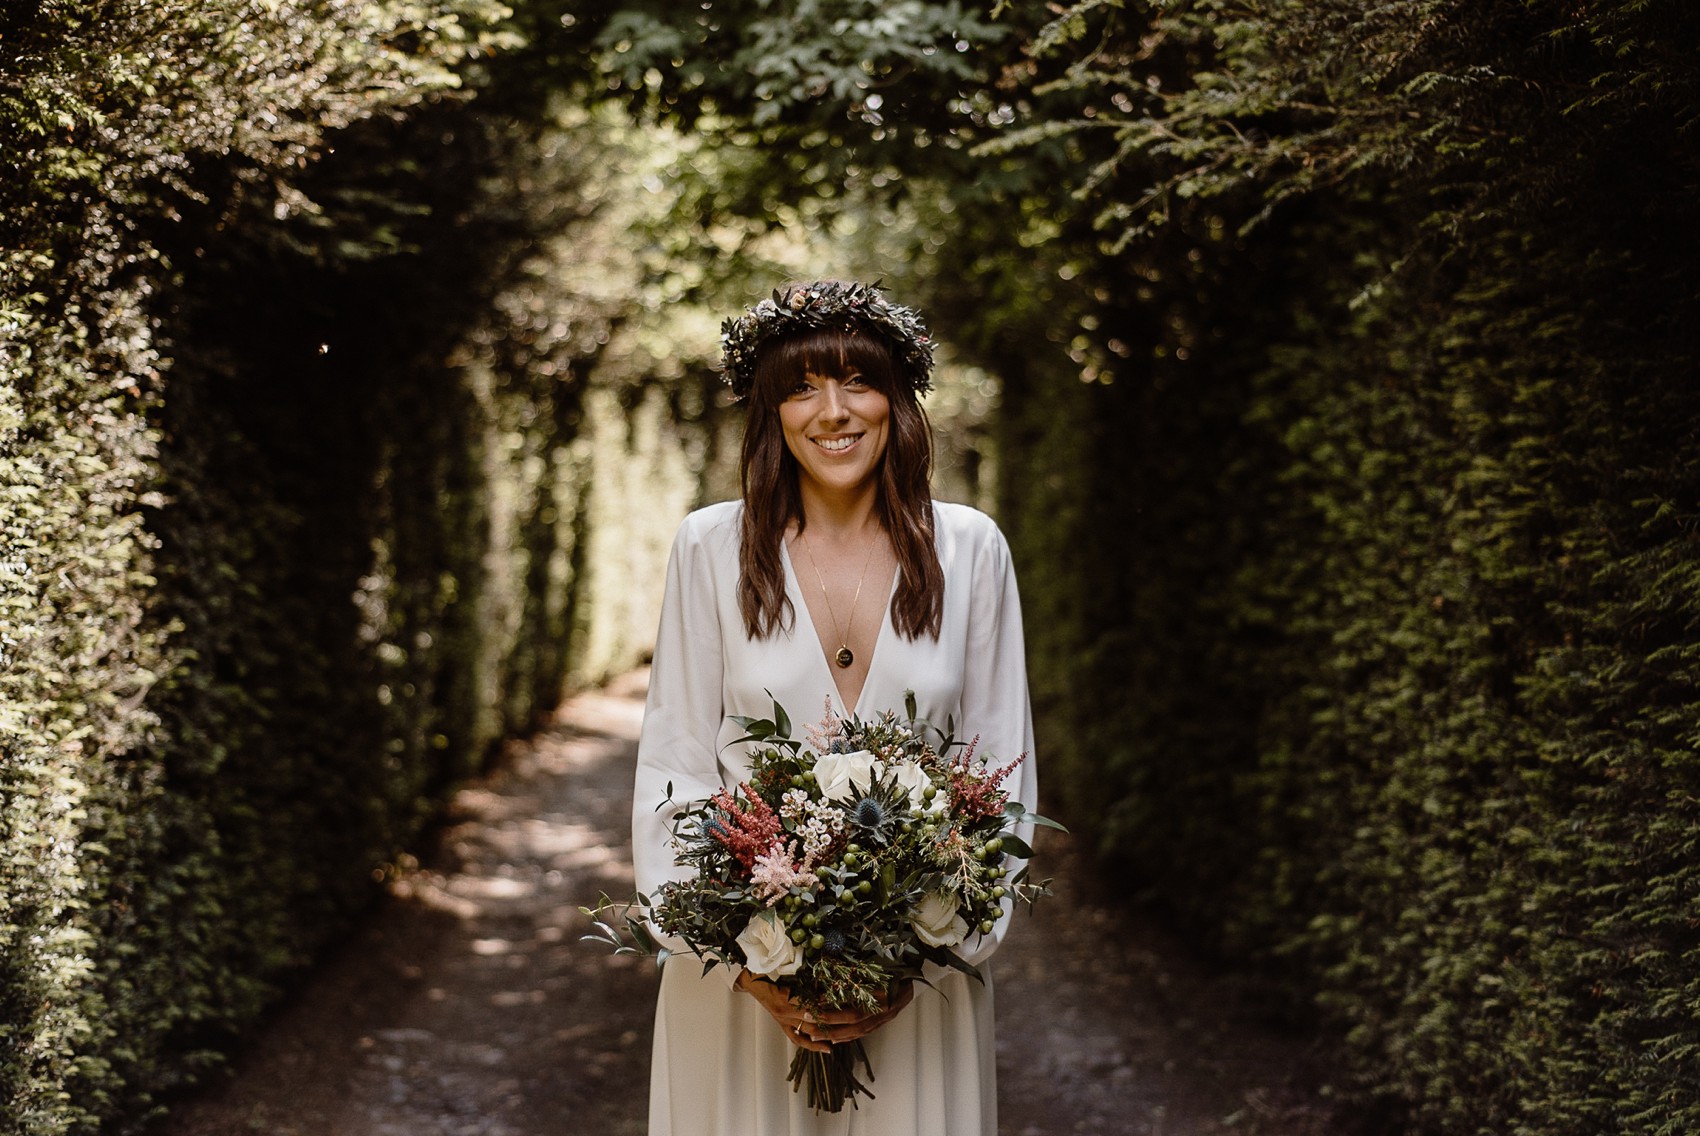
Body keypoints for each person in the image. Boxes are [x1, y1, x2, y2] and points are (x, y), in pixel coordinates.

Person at [632, 280, 1037, 1136]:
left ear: (897, 397)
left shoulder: (972, 551)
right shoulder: (710, 547)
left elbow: (1002, 770)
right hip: (739, 989)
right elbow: (674, 765)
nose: (832, 410)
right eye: (801, 386)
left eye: (857, 379)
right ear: (771, 412)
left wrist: (927, 944)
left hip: (917, 986)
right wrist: (749, 960)